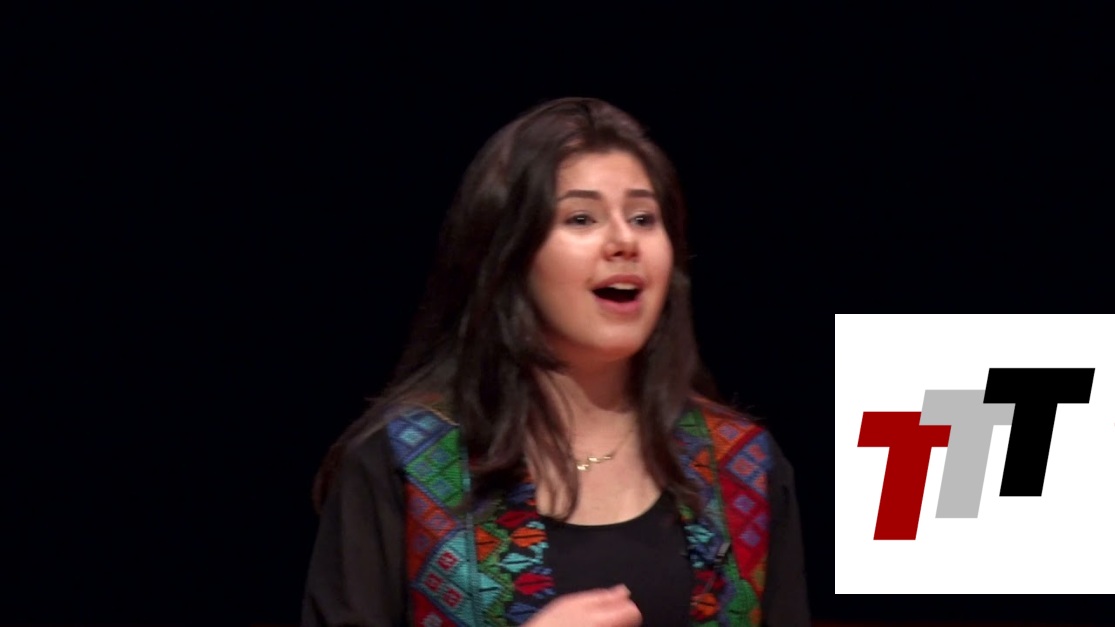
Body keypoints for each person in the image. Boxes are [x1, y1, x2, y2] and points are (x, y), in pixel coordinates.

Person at [300, 97, 810, 626]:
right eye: (581, 218)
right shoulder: (405, 464)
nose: (624, 242)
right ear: (509, 254)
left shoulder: (743, 465)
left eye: (643, 218)